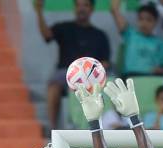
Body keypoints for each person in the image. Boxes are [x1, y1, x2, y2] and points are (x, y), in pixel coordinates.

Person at [34, 0, 110, 131]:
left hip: (90, 76)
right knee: (53, 86)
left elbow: (105, 63)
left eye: (85, 5)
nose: (81, 8)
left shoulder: (100, 35)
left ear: (91, 9)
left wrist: (89, 73)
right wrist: (39, 11)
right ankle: (52, 129)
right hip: (65, 73)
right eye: (78, 5)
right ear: (74, 8)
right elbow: (47, 35)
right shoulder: (64, 27)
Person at [110, 0, 163, 78]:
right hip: (129, 78)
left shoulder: (161, 43)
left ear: (156, 22)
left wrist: (160, 70)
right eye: (141, 19)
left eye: (149, 20)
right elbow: (114, 10)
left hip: (151, 79)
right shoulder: (130, 34)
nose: (144, 23)